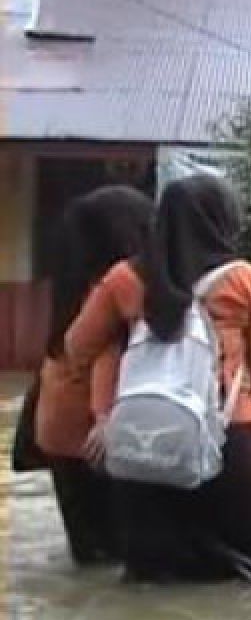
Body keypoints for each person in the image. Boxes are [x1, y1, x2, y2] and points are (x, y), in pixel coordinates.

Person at [65, 174, 251, 582]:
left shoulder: (124, 280)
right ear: (224, 220)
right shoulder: (249, 283)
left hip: (143, 449)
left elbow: (77, 347)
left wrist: (106, 406)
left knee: (154, 584)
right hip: (232, 446)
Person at [36, 186, 154, 564]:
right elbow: (109, 352)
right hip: (92, 433)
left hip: (56, 427)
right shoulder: (118, 285)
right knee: (120, 558)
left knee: (88, 555)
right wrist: (105, 418)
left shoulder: (69, 284)